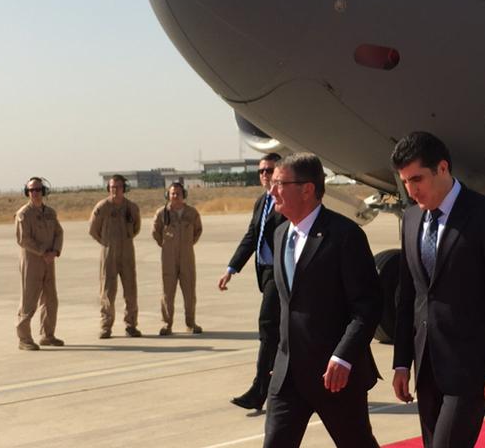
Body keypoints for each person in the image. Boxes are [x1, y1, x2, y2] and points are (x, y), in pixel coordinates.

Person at [390, 132, 485, 448]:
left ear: (442, 168)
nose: (411, 191)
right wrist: (401, 362)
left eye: (417, 179)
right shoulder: (411, 220)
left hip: (470, 369)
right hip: (426, 368)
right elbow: (408, 297)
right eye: (405, 182)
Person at [263, 153, 382, 448]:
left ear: (307, 189)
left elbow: (367, 306)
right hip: (287, 376)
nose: (272, 190)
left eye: (280, 183)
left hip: (334, 376)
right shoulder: (279, 234)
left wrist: (344, 356)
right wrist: (277, 359)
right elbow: (285, 305)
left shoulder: (344, 236)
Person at [218, 153, 286, 411]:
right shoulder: (262, 202)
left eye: (269, 170)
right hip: (266, 272)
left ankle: (259, 390)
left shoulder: (284, 202)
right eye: (261, 171)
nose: (265, 175)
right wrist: (231, 268)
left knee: (268, 327)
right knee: (282, 332)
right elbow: (251, 237)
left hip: (282, 273)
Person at [89, 174, 142, 339]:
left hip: (127, 253)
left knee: (130, 291)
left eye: (118, 187)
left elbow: (136, 228)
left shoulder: (131, 208)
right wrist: (106, 243)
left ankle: (131, 325)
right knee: (107, 292)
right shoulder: (102, 207)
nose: (115, 190)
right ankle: (106, 327)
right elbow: (93, 230)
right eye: (112, 187)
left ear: (124, 189)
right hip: (109, 253)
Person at [15, 176, 65, 350]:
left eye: (38, 190)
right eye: (31, 190)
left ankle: (47, 335)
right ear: (27, 193)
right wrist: (43, 252)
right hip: (32, 262)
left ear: (43, 191)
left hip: (49, 261)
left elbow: (59, 232)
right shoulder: (24, 214)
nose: (35, 193)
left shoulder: (50, 213)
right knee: (29, 300)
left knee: (51, 299)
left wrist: (55, 251)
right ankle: (24, 339)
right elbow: (24, 239)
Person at [152, 182, 203, 335]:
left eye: (178, 193)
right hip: (168, 257)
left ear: (184, 195)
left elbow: (198, 231)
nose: (175, 196)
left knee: (189, 291)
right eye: (172, 193)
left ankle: (190, 322)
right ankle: (167, 324)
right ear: (168, 195)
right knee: (167, 292)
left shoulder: (192, 213)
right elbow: (156, 232)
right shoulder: (162, 213)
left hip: (187, 256)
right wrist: (166, 245)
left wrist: (187, 244)